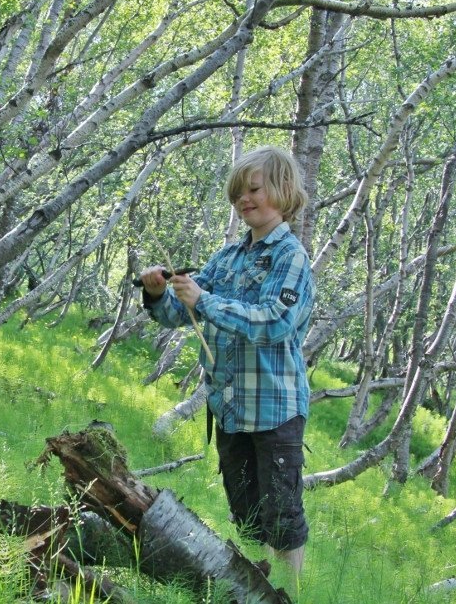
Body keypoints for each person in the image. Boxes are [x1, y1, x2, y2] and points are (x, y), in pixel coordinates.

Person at [139, 145, 313, 594]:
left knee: (282, 515)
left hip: (274, 409)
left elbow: (275, 322)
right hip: (231, 408)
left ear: (283, 190)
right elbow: (182, 314)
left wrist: (206, 300)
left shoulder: (290, 257)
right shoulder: (227, 257)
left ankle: (290, 594)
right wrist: (159, 293)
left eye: (254, 189)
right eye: (238, 194)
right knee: (246, 512)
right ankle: (253, 589)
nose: (244, 200)